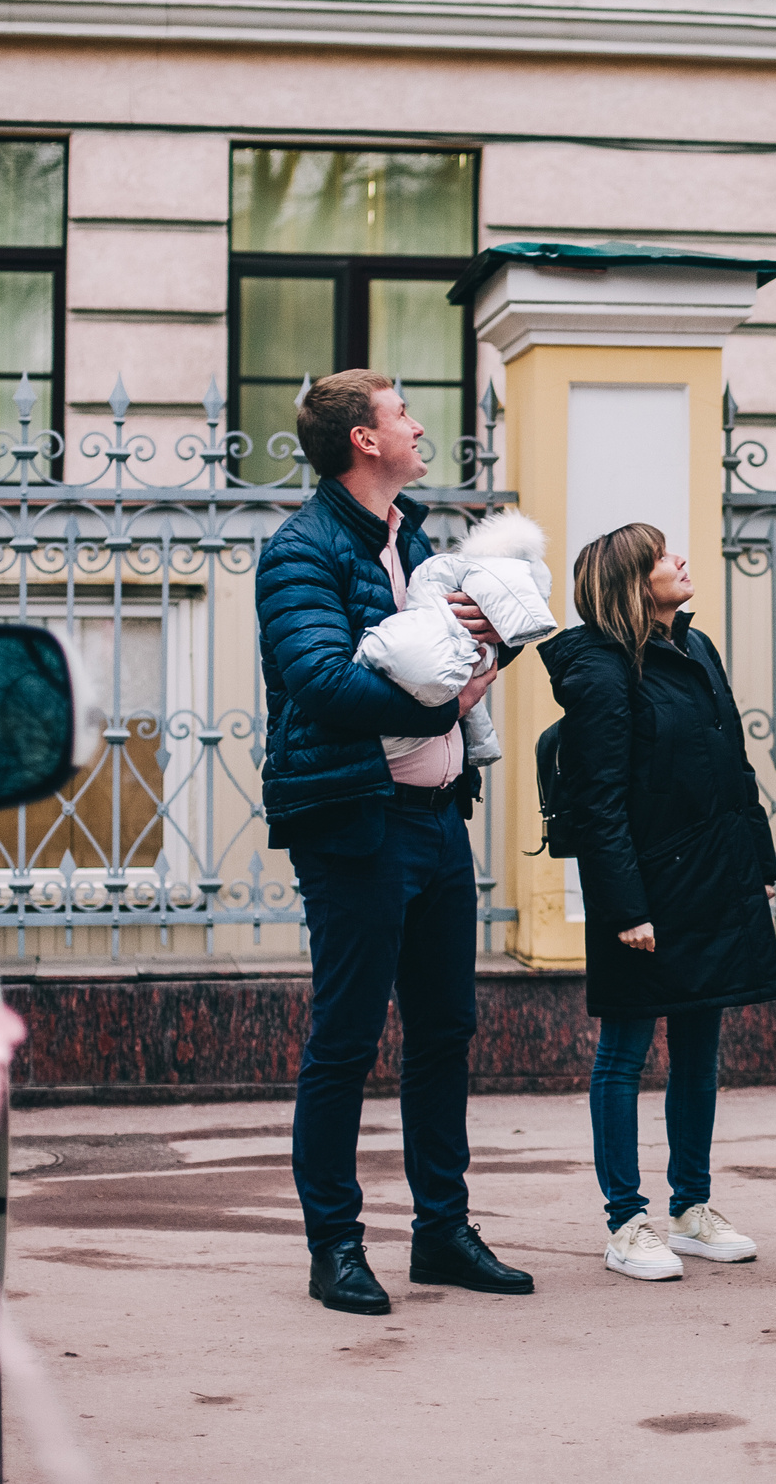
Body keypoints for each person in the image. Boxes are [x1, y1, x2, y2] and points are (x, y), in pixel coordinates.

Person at [255, 368, 534, 1316]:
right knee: (344, 1040)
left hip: (434, 815)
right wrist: (451, 691)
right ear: (363, 440)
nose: (420, 426)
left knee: (445, 1032)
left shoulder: (409, 537)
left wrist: (492, 640)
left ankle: (441, 1233)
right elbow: (320, 681)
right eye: (402, 414)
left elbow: (441, 646)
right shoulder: (301, 550)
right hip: (352, 823)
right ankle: (334, 1245)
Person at [539, 522, 776, 1282]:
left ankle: (691, 1208)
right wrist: (624, 908)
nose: (680, 561)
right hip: (646, 891)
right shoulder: (602, 670)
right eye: (663, 557)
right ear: (632, 582)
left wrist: (759, 859)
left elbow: (733, 763)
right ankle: (625, 1220)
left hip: (713, 877)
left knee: (699, 1048)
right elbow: (600, 803)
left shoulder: (697, 647)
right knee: (623, 1053)